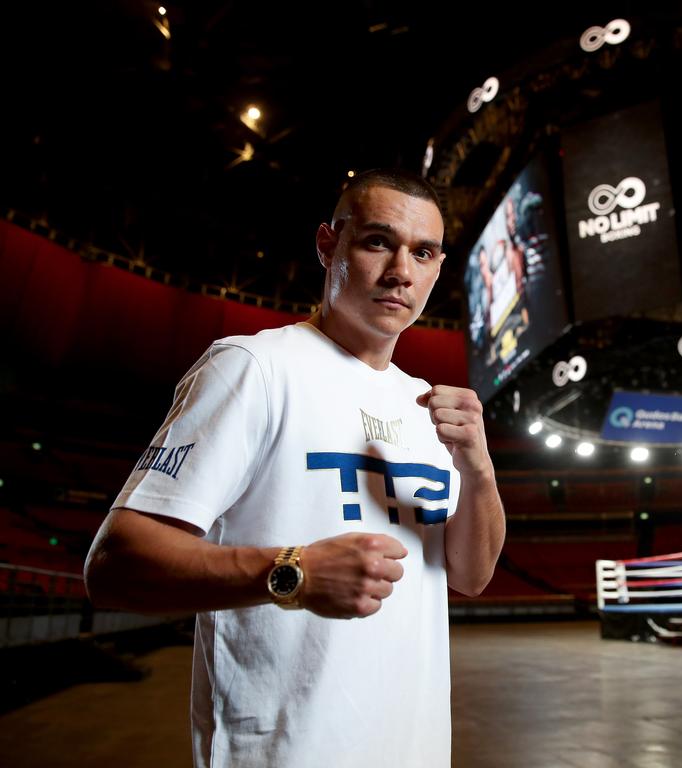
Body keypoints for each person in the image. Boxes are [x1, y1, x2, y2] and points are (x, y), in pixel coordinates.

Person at [84, 169, 506, 767]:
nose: (401, 273)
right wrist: (294, 571)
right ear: (327, 245)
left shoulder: (428, 407)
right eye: (378, 242)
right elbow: (114, 566)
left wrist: (480, 471)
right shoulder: (254, 368)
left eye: (424, 252)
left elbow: (471, 574)